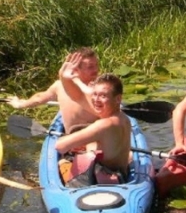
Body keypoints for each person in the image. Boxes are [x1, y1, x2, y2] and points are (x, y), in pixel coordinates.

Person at [54, 52, 132, 182]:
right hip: (122, 175)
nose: (95, 100)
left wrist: (80, 141)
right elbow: (78, 97)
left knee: (63, 163)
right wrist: (65, 78)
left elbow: (60, 146)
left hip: (105, 182)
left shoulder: (103, 125)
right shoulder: (123, 118)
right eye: (94, 94)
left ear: (118, 99)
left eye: (103, 96)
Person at [8, 47, 100, 134]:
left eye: (96, 65)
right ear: (75, 69)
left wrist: (21, 104)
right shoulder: (59, 86)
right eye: (90, 67)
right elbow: (39, 98)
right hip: (74, 138)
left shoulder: (100, 87)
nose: (96, 69)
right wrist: (20, 104)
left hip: (96, 136)